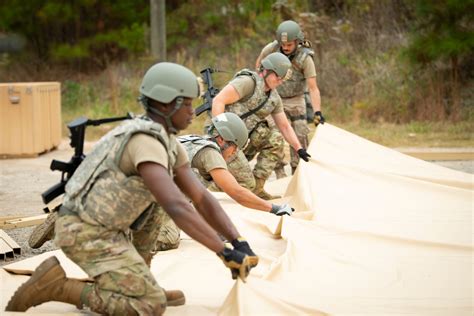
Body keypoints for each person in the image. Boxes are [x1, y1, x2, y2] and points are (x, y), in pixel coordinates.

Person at [6, 62, 258, 315]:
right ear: (164, 103)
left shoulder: (167, 140)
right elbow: (178, 206)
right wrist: (222, 250)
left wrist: (238, 241)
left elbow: (200, 197)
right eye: (187, 103)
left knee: (157, 207)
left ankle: (139, 283)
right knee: (149, 306)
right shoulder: (144, 142)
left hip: (108, 224)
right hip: (84, 230)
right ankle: (56, 286)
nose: (193, 112)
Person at [211, 52, 311, 200]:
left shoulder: (273, 97)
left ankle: (257, 189)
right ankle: (213, 184)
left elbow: (284, 126)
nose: (280, 80)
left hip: (243, 142)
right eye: (278, 76)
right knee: (242, 184)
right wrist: (221, 134)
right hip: (224, 143)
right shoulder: (247, 82)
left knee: (275, 138)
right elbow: (218, 101)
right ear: (266, 71)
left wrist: (299, 149)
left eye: (283, 78)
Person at [180, 112, 294, 216]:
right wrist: (275, 208)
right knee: (170, 236)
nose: (234, 153)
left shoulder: (194, 141)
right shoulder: (210, 154)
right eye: (234, 147)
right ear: (221, 140)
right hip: (164, 202)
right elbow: (238, 193)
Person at [255, 20, 324, 177]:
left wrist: (317, 112)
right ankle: (279, 172)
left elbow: (313, 87)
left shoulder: (305, 58)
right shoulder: (271, 49)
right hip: (274, 97)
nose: (285, 48)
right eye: (283, 44)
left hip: (296, 98)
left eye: (289, 45)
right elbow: (258, 67)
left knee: (300, 132)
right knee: (274, 135)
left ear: (297, 42)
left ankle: (298, 171)